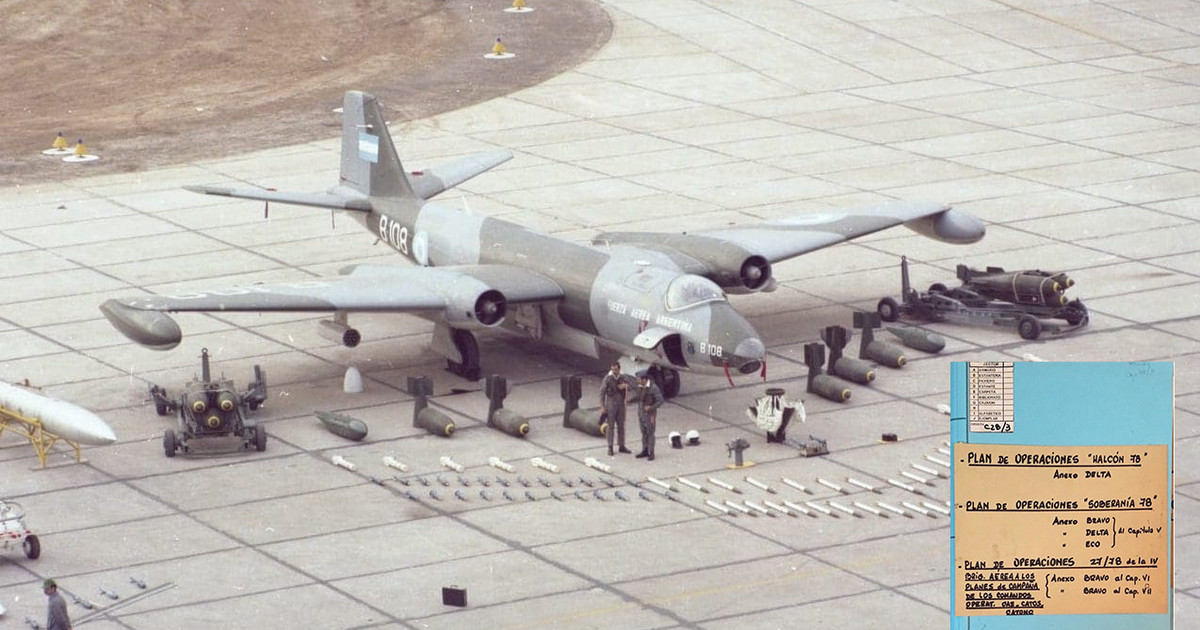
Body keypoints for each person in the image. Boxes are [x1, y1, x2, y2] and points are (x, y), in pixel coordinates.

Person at [599, 362, 632, 456]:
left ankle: (621, 445)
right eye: (613, 369)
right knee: (610, 426)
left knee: (621, 426)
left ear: (619, 369)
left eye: (616, 369)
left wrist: (625, 386)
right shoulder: (608, 378)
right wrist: (602, 406)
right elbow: (602, 392)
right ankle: (610, 447)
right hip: (611, 403)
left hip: (621, 403)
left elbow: (631, 386)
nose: (614, 371)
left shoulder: (623, 377)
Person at [634, 370, 664, 461]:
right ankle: (645, 450)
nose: (637, 380)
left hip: (650, 414)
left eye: (638, 379)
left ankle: (651, 452)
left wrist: (651, 407)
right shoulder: (640, 386)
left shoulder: (653, 388)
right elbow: (639, 398)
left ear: (644, 379)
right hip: (641, 413)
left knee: (650, 433)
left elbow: (660, 400)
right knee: (643, 432)